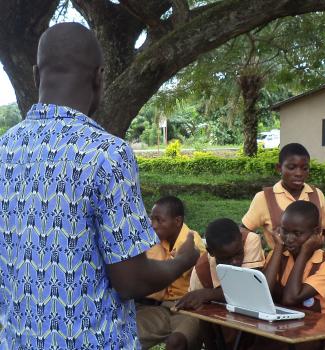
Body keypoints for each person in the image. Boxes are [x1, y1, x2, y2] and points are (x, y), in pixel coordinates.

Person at [0, 23, 200, 349]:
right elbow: (130, 279)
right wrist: (181, 261)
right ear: (99, 77)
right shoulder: (107, 154)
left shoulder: (4, 150)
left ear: (37, 75)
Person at [174, 218, 265, 349]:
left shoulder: (250, 240)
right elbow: (203, 319)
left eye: (238, 254)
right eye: (226, 258)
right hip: (224, 329)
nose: (235, 262)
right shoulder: (201, 270)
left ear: (240, 238)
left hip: (256, 323)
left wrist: (208, 294)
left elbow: (250, 289)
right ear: (210, 251)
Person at [241, 143, 325, 250]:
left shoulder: (316, 194)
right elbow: (244, 231)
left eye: (304, 168)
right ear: (279, 168)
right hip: (280, 264)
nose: (299, 173)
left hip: (315, 263)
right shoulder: (264, 198)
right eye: (292, 167)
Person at [136, 196, 207, 350]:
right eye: (152, 219)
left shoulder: (191, 243)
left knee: (177, 342)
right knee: (125, 335)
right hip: (157, 309)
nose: (153, 225)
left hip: (188, 310)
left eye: (159, 220)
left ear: (177, 221)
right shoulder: (154, 239)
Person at [263, 200, 325, 315]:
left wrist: (304, 253)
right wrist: (278, 247)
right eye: (284, 231)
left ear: (316, 232)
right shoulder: (277, 255)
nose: (289, 239)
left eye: (297, 233)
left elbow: (290, 298)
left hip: (315, 328)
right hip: (278, 325)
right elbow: (263, 294)